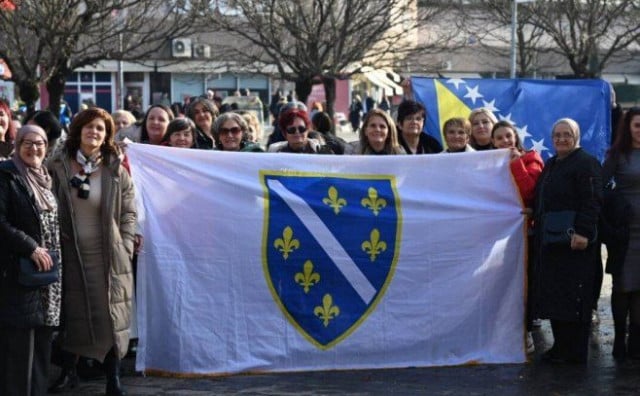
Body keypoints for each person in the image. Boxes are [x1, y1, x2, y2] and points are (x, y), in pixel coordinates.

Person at [48, 107, 136, 395]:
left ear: (107, 134)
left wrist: (124, 244)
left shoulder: (114, 169)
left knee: (108, 315)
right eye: (88, 126)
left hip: (107, 255)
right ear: (78, 130)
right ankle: (68, 371)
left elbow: (129, 213)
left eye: (100, 128)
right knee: (73, 313)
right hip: (70, 252)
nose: (93, 132)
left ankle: (113, 377)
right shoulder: (58, 165)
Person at [533, 118, 602, 364]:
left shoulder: (586, 163)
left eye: (567, 134)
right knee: (556, 296)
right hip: (553, 243)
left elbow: (592, 200)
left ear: (576, 136)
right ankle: (561, 347)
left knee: (575, 297)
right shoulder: (552, 163)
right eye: (557, 135)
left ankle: (575, 352)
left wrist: (583, 232)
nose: (562, 139)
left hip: (576, 244)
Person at [0, 125, 61, 396]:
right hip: (20, 273)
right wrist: (31, 248)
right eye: (27, 142)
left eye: (39, 143)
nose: (33, 148)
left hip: (48, 279)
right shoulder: (7, 176)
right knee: (20, 350)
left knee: (41, 348)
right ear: (17, 144)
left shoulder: (46, 178)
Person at [491, 120, 543, 353]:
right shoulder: (482, 163)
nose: (505, 141)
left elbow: (531, 192)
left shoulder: (531, 160)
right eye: (499, 138)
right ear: (493, 141)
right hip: (492, 233)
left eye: (508, 137)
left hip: (523, 232)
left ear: (516, 138)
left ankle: (525, 329)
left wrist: (515, 164)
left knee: (523, 280)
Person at [602, 107, 640, 360]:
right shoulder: (617, 154)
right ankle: (619, 340)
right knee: (623, 286)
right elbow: (602, 186)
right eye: (637, 125)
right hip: (625, 232)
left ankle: (636, 342)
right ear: (628, 127)